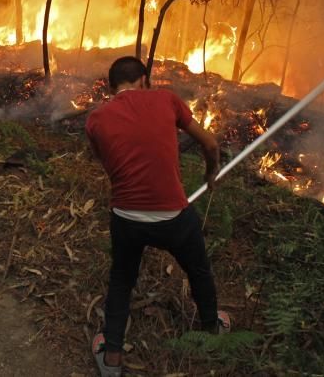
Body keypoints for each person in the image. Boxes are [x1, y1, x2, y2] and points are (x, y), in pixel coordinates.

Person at [85, 56, 228, 377]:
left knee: (122, 279)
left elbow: (105, 162)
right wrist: (211, 172)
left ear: (112, 87)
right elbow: (210, 143)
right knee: (199, 270)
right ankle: (212, 332)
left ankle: (112, 360)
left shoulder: (96, 119)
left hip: (125, 217)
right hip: (174, 216)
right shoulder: (167, 99)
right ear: (144, 79)